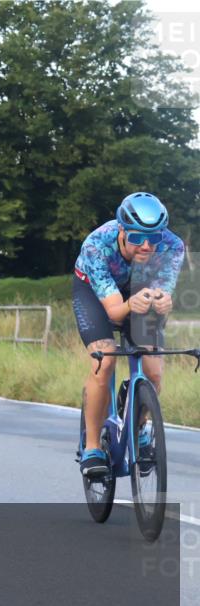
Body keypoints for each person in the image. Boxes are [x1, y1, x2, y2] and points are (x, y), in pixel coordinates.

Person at [72, 192, 184, 477]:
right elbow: (113, 312)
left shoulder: (173, 247)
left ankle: (138, 421)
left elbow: (161, 296)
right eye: (136, 238)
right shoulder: (97, 245)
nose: (146, 246)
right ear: (122, 230)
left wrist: (163, 303)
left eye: (154, 238)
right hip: (95, 296)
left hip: (138, 289)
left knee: (154, 370)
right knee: (105, 361)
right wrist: (127, 307)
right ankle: (93, 447)